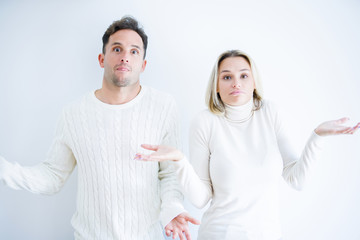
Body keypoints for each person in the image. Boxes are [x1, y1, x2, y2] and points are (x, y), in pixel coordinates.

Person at [0, 16, 199, 240]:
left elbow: (169, 175)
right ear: (101, 59)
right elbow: (53, 176)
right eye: (117, 48)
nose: (125, 57)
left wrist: (172, 208)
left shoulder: (164, 106)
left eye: (134, 51)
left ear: (143, 65)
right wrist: (5, 171)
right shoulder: (73, 114)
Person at [135, 50, 360, 240]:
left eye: (244, 76)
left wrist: (317, 137)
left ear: (254, 82)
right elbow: (201, 198)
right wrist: (179, 160)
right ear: (216, 86)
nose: (236, 83)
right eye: (226, 77)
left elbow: (296, 178)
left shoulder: (270, 113)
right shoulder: (205, 122)